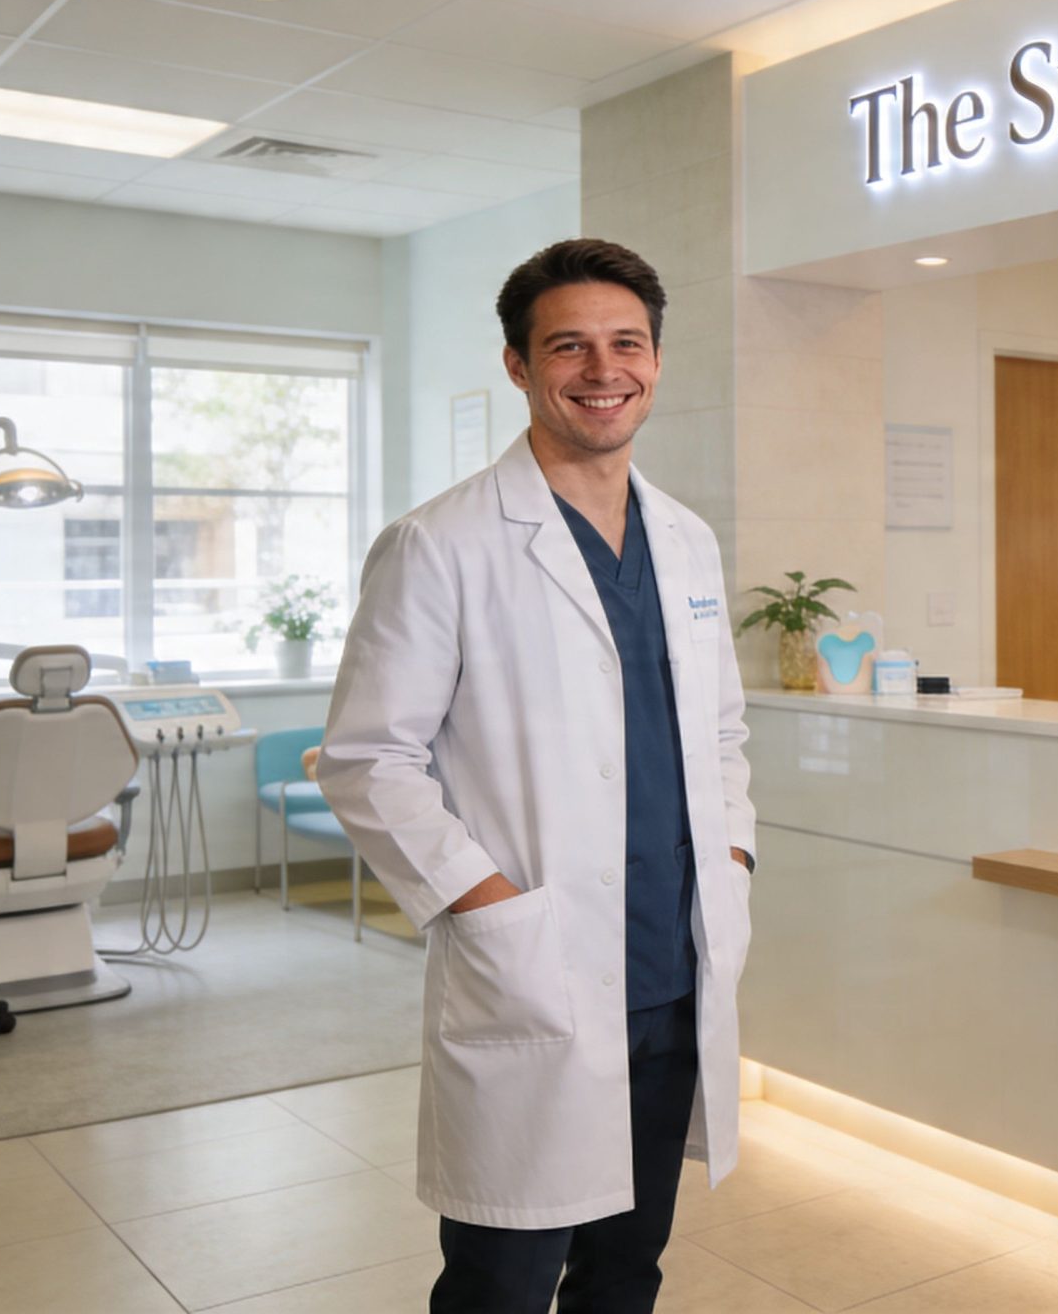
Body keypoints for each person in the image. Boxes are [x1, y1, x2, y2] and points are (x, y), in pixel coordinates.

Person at [320, 238, 756, 1313]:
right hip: (538, 964)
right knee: (503, 1282)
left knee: (626, 1268)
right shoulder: (440, 543)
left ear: (657, 359)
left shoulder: (688, 542)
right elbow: (369, 761)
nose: (602, 369)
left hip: (673, 968)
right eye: (569, 345)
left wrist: (734, 853)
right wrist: (491, 907)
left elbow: (724, 731)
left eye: (627, 344)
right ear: (519, 364)